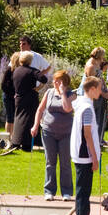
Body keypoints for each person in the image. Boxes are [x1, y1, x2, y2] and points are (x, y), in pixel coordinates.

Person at [32, 69, 76, 201]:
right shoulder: (49, 92)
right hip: (48, 131)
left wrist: (63, 93)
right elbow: (40, 109)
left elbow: (68, 108)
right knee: (50, 162)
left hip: (66, 133)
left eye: (57, 80)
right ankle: (49, 191)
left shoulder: (72, 94)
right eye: (54, 80)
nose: (54, 82)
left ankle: (66, 192)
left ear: (64, 82)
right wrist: (35, 125)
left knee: (65, 162)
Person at [70, 76, 104, 215]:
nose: (100, 91)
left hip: (82, 154)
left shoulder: (82, 104)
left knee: (85, 190)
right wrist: (95, 157)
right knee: (83, 191)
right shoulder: (87, 108)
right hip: (84, 155)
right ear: (91, 89)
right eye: (99, 88)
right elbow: (87, 134)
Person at [9, 51, 47, 152]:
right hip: (30, 98)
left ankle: (16, 141)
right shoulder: (32, 71)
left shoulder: (16, 71)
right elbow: (44, 79)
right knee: (29, 120)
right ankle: (27, 143)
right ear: (30, 60)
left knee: (18, 119)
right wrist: (38, 88)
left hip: (18, 97)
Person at [80, 47, 108, 138]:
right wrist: (103, 93)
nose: (103, 58)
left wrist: (106, 89)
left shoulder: (96, 64)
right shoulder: (91, 66)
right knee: (91, 118)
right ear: (99, 55)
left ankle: (96, 139)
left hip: (98, 94)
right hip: (90, 95)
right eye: (102, 56)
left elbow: (100, 78)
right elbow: (91, 84)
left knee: (97, 119)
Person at [0, 52, 19, 148]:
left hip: (16, 97)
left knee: (15, 118)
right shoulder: (9, 70)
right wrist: (12, 93)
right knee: (10, 118)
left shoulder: (20, 71)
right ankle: (7, 139)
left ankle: (13, 139)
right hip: (8, 97)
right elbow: (3, 85)